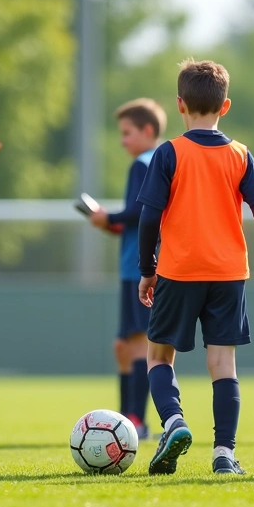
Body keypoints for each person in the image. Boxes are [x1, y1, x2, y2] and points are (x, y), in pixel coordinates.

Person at [137, 58, 254, 476]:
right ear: (224, 106)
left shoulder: (168, 153)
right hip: (229, 273)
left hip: (179, 270)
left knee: (158, 356)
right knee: (223, 365)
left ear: (179, 104)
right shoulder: (240, 155)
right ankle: (224, 453)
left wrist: (147, 268)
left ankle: (173, 422)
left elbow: (149, 217)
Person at [89, 98, 168, 440]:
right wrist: (116, 226)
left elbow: (141, 211)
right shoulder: (165, 162)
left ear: (147, 131)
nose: (122, 140)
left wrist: (109, 217)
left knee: (137, 345)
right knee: (123, 347)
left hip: (140, 268)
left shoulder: (144, 163)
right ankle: (127, 420)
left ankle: (135, 421)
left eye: (127, 133)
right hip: (141, 264)